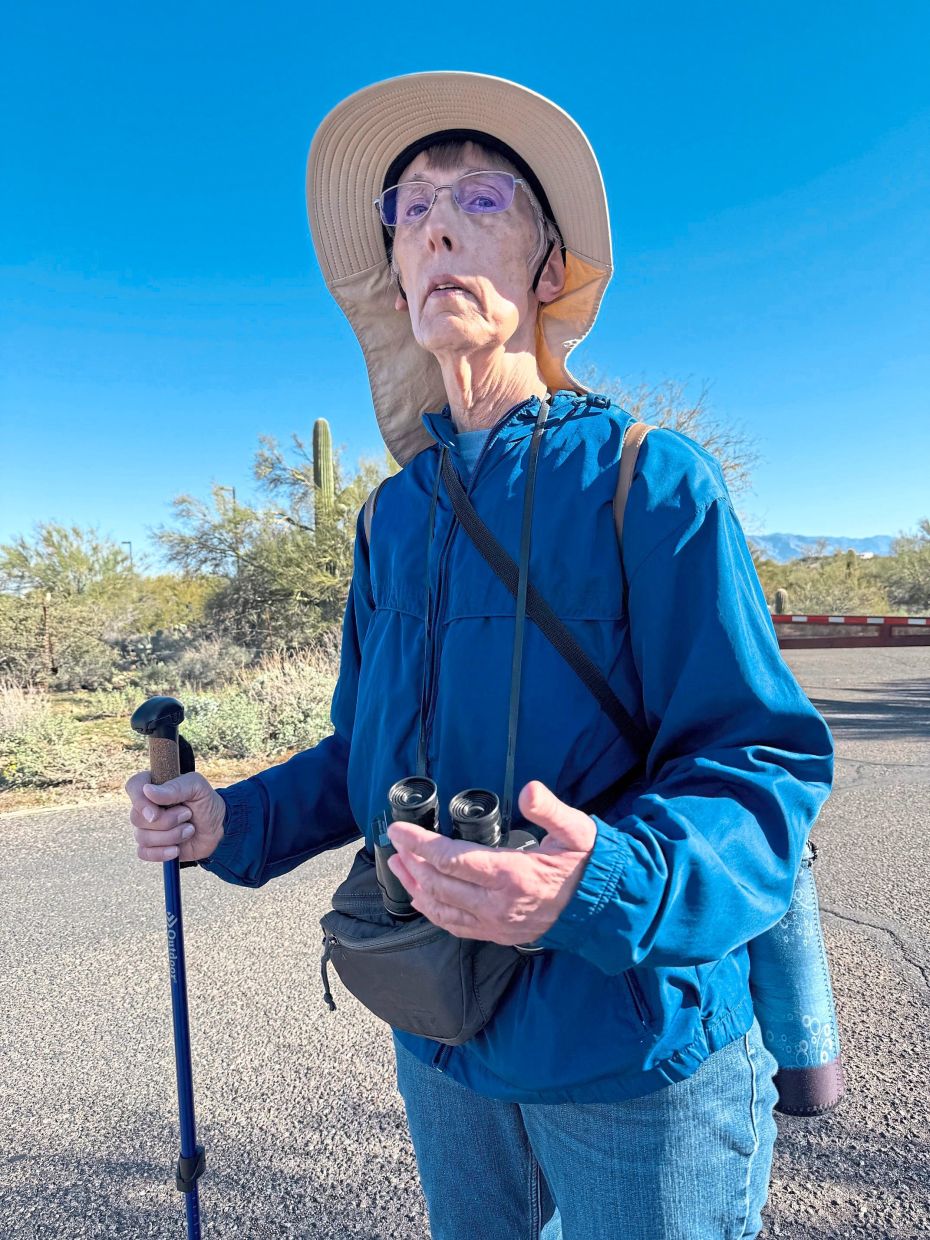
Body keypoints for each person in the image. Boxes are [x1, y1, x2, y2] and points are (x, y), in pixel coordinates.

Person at [125, 72, 835, 1239]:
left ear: (549, 272)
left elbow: (761, 764)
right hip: (441, 1028)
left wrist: (597, 879)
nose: (439, 221)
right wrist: (228, 822)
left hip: (632, 1054)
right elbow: (365, 750)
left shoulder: (644, 482)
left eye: (485, 197)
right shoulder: (389, 517)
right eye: (410, 207)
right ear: (395, 271)